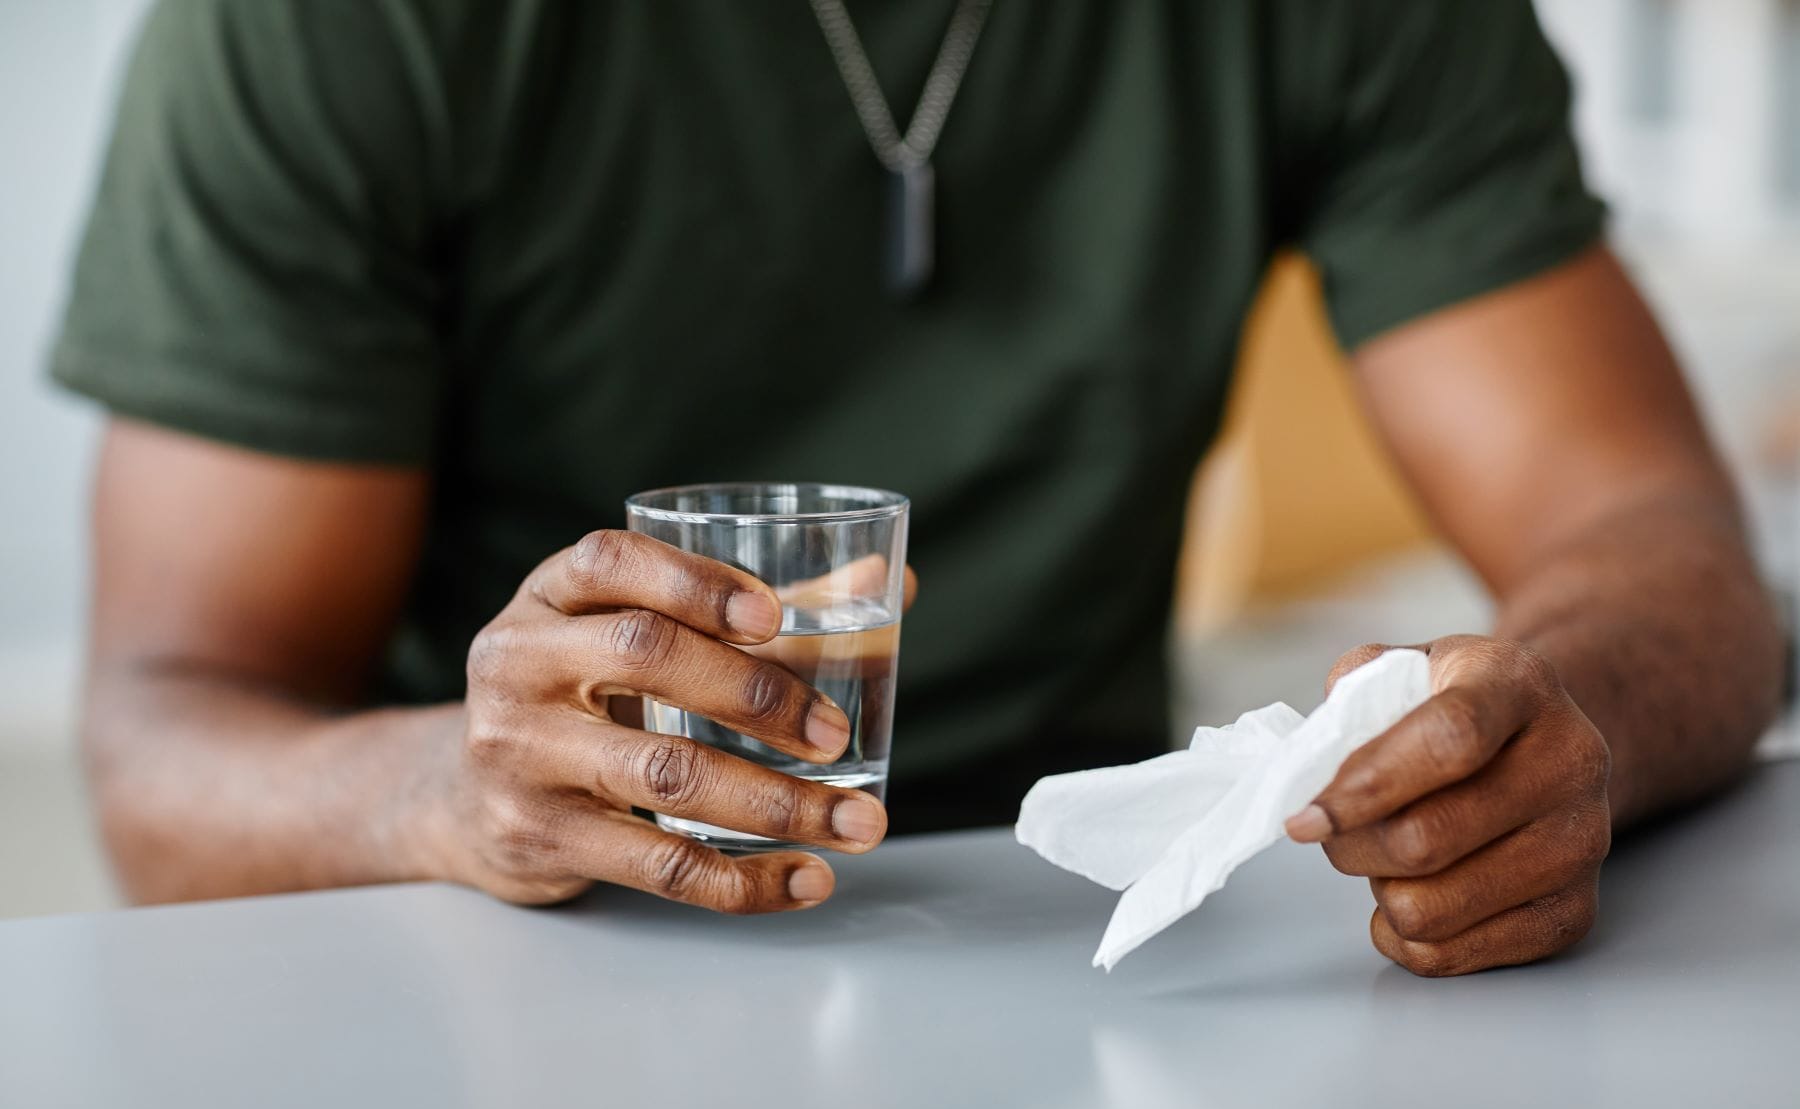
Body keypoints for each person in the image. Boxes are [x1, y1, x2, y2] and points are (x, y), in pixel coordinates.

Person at [53, 0, 1781, 977]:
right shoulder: (326, 31)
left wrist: (1560, 732)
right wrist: (459, 789)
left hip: (1092, 971)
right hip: (495, 975)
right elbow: (162, 735)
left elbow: (1650, 539)